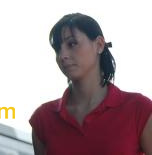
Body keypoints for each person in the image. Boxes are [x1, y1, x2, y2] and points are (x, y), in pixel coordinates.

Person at [29, 13, 152, 155]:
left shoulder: (139, 109)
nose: (62, 55)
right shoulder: (43, 118)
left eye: (72, 44)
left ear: (99, 45)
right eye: (57, 48)